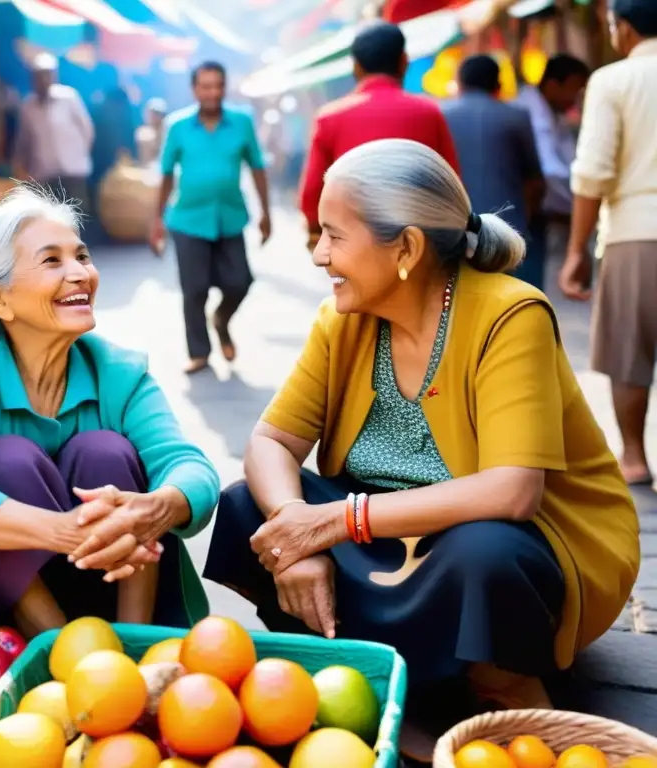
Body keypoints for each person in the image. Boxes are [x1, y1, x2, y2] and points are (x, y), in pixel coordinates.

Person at [205, 140, 638, 756]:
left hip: (498, 539)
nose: (319, 254)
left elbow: (513, 490)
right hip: (381, 539)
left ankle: (499, 684)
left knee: (481, 554)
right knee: (248, 502)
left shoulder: (509, 315)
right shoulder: (344, 317)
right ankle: (368, 669)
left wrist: (335, 522)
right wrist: (294, 531)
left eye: (334, 235)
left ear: (405, 248)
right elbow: (273, 440)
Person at [0, 185, 220, 636]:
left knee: (106, 451)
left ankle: (133, 644)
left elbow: (190, 468)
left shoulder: (118, 371)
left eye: (82, 256)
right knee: (5, 460)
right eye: (52, 261)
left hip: (106, 577)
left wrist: (151, 508)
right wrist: (67, 531)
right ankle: (58, 651)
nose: (80, 273)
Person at [560, 0, 657, 488]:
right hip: (634, 228)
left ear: (626, 28)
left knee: (628, 351)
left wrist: (576, 251)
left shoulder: (613, 80)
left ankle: (636, 457)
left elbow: (593, 172)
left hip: (635, 233)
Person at [150, 61, 271, 375]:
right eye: (206, 86)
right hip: (188, 219)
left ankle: (221, 320)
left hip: (230, 216)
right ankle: (199, 352)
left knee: (240, 281)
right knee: (194, 288)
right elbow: (165, 175)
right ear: (195, 89)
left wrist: (266, 212)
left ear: (225, 86)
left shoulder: (242, 122)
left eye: (218, 85)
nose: (213, 92)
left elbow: (257, 167)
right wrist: (157, 220)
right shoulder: (177, 126)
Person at [298, 22, 460, 250]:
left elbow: (312, 193)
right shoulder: (429, 113)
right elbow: (452, 188)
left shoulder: (329, 117)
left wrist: (317, 233)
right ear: (404, 61)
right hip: (418, 246)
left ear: (355, 67)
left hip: (354, 247)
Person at [443, 55, 545, 288]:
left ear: (459, 83)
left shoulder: (442, 115)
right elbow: (535, 180)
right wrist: (525, 219)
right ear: (498, 85)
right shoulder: (516, 117)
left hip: (454, 230)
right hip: (508, 230)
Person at [514, 54, 590, 283]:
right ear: (553, 85)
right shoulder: (530, 111)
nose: (575, 100)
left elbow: (569, 162)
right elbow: (552, 172)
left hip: (545, 210)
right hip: (525, 210)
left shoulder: (554, 115)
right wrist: (582, 205)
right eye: (573, 90)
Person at [12, 53, 95, 213]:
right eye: (38, 76)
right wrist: (20, 167)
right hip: (45, 177)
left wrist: (79, 156)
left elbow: (87, 130)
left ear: (54, 76)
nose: (43, 80)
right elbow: (24, 141)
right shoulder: (28, 106)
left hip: (73, 174)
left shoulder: (69, 97)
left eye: (47, 75)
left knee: (78, 220)